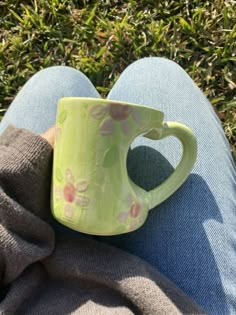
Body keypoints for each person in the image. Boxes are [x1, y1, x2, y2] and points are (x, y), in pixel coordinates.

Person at [0, 57, 235, 315]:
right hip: (175, 303)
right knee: (155, 75)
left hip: (27, 278)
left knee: (56, 81)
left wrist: (17, 171)